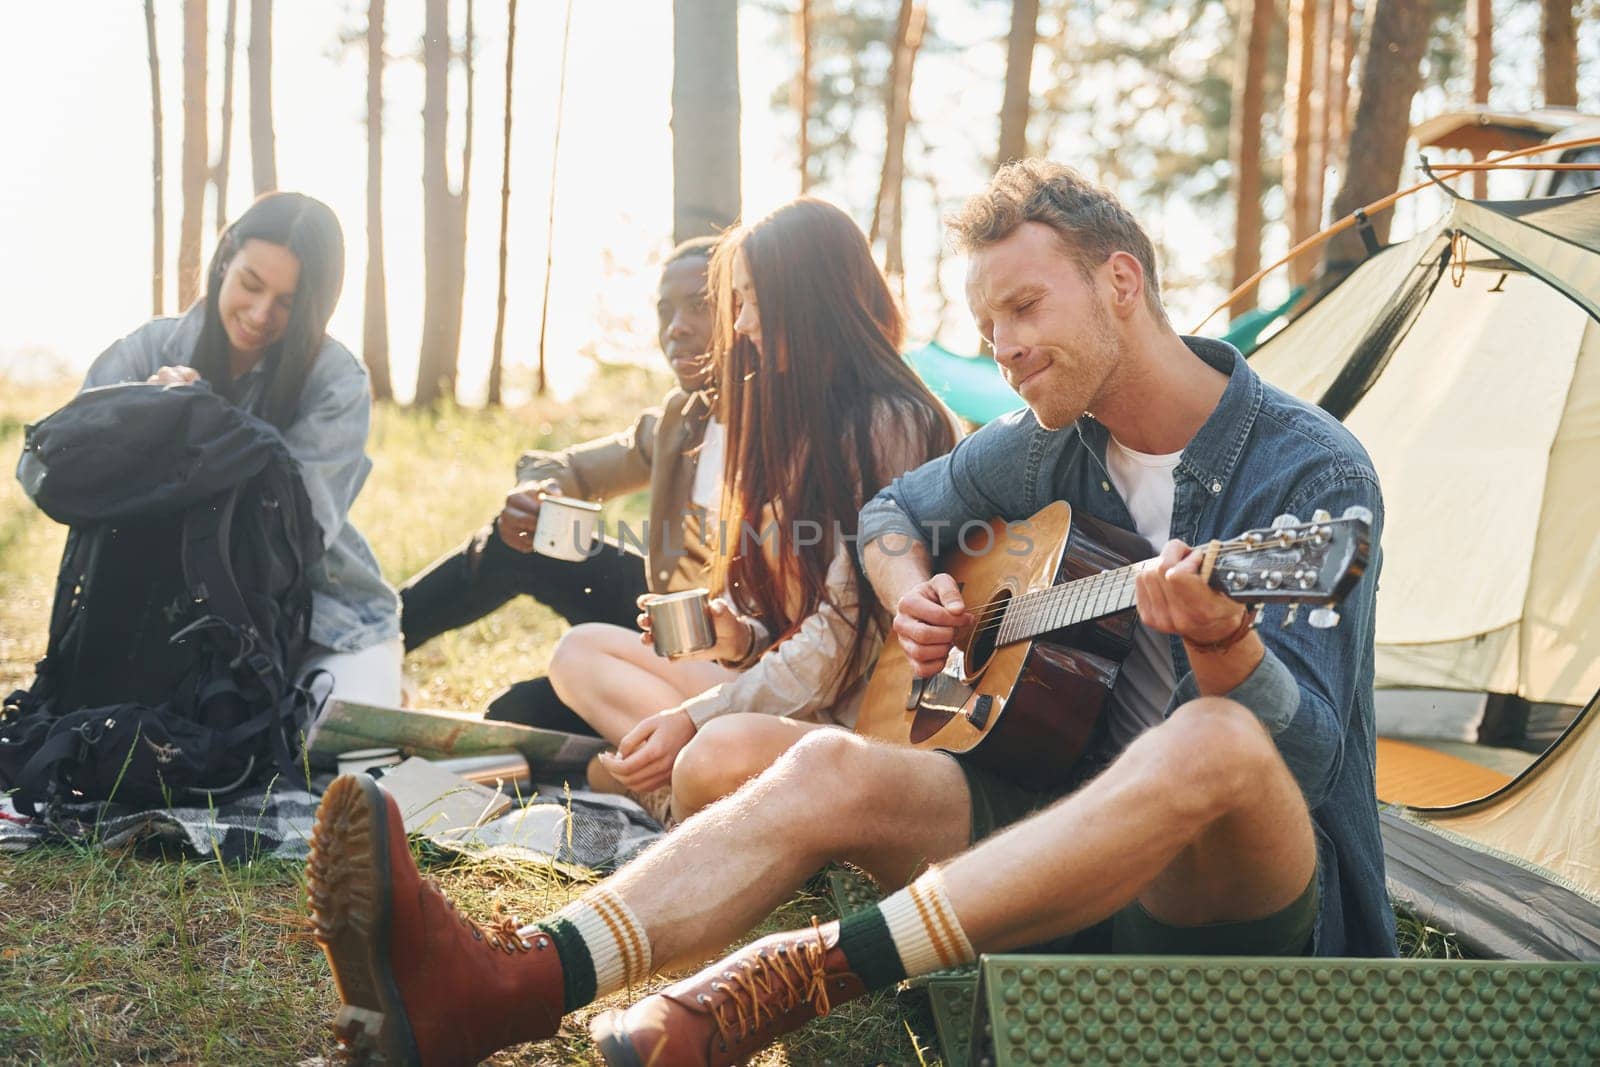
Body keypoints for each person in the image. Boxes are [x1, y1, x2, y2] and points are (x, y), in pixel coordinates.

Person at [303, 161, 1394, 1067]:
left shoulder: (1306, 472)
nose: (1002, 347)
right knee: (820, 768)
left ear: (1121, 281)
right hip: (1053, 837)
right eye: (985, 321)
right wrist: (909, 588)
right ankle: (506, 980)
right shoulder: (1046, 444)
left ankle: (807, 969)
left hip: (1244, 893)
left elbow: (1304, 761)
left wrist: (1222, 636)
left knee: (1214, 735)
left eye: (1024, 308)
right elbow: (893, 508)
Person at [544, 197, 961, 820]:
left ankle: (673, 795)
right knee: (577, 653)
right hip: (802, 698)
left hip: (865, 722)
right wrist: (742, 633)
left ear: (812, 300)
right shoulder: (799, 425)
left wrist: (693, 717)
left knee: (712, 751)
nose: (738, 325)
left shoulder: (891, 424)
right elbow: (796, 616)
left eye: (753, 300)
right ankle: (676, 794)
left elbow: (838, 644)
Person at [82, 192, 401, 704]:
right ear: (225, 255)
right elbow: (61, 467)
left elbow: (294, 536)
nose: (259, 314)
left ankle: (377, 685)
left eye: (287, 303)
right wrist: (146, 414)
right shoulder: (149, 349)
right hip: (159, 622)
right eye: (251, 284)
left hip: (325, 621)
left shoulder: (335, 380)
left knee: (337, 743)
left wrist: (202, 431)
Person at [397, 238, 720, 735]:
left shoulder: (784, 426)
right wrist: (539, 493)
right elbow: (567, 465)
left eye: (701, 306)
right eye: (665, 310)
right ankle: (373, 640)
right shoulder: (678, 420)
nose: (676, 327)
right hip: (665, 616)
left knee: (515, 713)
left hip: (727, 643)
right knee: (524, 535)